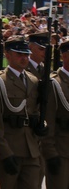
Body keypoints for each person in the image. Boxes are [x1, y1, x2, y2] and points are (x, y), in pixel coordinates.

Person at [0, 37, 43, 188]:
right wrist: (4, 152)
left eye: (26, 55)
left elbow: (35, 112)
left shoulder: (33, 80)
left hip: (31, 149)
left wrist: (41, 125)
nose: (24, 58)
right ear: (7, 54)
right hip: (10, 148)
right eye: (19, 54)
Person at [41, 39, 69, 187]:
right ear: (64, 56)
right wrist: (50, 153)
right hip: (62, 151)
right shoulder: (55, 83)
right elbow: (48, 120)